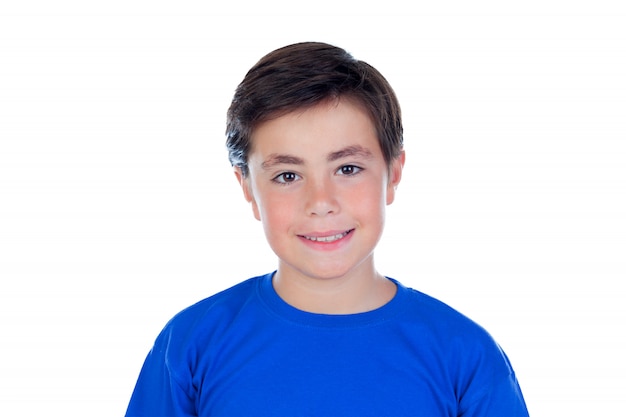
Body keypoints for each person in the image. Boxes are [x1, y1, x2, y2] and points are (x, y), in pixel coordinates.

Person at [125, 41, 529, 417]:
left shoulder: (464, 355)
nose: (321, 202)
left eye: (347, 169)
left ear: (393, 173)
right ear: (247, 186)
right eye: (287, 175)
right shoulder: (192, 344)